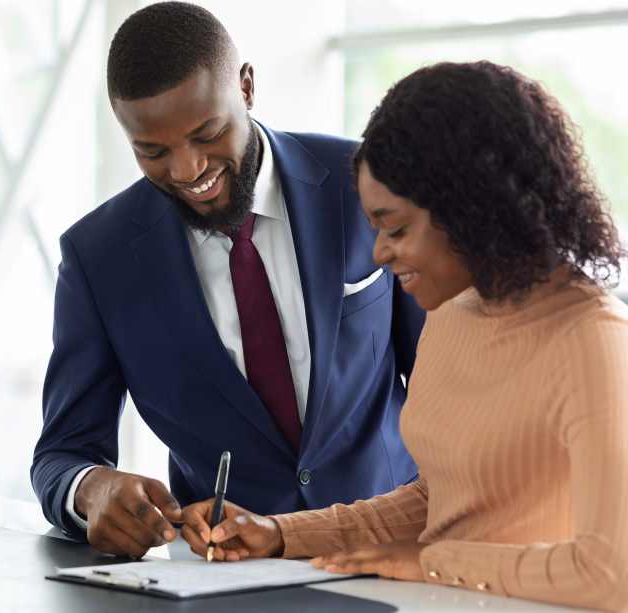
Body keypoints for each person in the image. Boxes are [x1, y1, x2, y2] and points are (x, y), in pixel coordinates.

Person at [180, 60, 628, 612]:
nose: (379, 255)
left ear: (473, 207)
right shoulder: (452, 312)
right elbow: (440, 500)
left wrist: (433, 563)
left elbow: (611, 574)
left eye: (396, 229)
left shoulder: (593, 341)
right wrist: (280, 534)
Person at [31, 1, 426, 558]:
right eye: (153, 151)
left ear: (246, 87)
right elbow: (60, 453)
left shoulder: (362, 185)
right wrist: (91, 489)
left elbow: (448, 382)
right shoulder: (99, 257)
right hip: (222, 574)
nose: (188, 170)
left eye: (207, 133)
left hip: (392, 551)